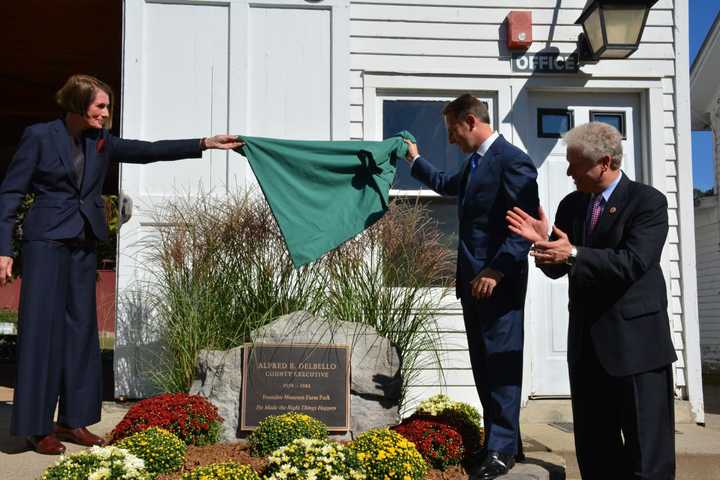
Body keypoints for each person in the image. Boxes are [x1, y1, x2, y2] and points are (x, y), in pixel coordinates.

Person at [0, 74, 242, 455]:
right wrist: (4, 249)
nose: (106, 113)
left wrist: (204, 143)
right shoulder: (40, 136)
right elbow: (11, 191)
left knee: (81, 333)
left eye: (107, 106)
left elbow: (147, 150)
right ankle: (35, 427)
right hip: (45, 243)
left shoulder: (101, 142)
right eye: (100, 106)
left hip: (82, 244)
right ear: (79, 104)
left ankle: (73, 420)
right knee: (41, 333)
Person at [506, 122, 676, 479]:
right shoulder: (572, 204)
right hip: (588, 349)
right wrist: (543, 244)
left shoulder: (648, 203)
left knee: (649, 457)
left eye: (575, 164)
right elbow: (559, 267)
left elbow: (633, 263)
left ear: (604, 162)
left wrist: (572, 254)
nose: (568, 172)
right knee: (597, 453)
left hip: (637, 349)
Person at [404, 94, 539, 480]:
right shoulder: (475, 164)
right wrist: (414, 160)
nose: (450, 140)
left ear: (469, 121)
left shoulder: (512, 161)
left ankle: (501, 451)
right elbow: (447, 185)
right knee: (483, 366)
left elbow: (523, 226)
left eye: (451, 132)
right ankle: (500, 440)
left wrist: (496, 271)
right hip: (472, 284)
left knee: (502, 365)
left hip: (498, 285)